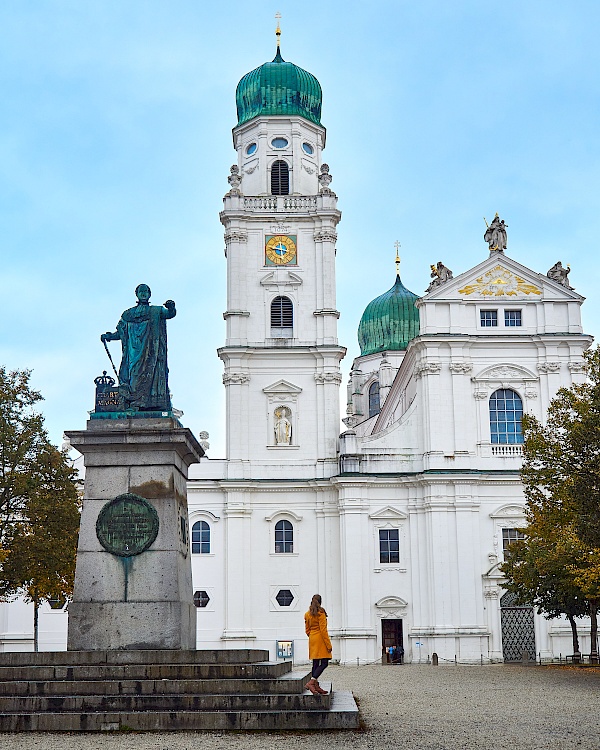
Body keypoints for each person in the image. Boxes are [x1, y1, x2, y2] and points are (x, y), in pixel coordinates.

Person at [101, 284, 176, 411]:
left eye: (146, 291)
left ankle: (144, 404)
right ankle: (132, 402)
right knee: (133, 375)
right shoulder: (128, 314)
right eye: (141, 291)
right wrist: (109, 336)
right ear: (136, 294)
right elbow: (120, 332)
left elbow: (169, 314)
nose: (143, 294)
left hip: (151, 352)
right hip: (133, 353)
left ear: (149, 294)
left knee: (150, 376)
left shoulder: (156, 311)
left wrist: (171, 307)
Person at [304, 594, 332, 695]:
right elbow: (323, 631)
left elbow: (307, 630)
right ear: (320, 602)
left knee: (315, 663)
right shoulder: (321, 613)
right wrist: (328, 645)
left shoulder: (307, 614)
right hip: (321, 639)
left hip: (312, 639)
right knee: (325, 662)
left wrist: (312, 636)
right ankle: (312, 682)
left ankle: (316, 685)